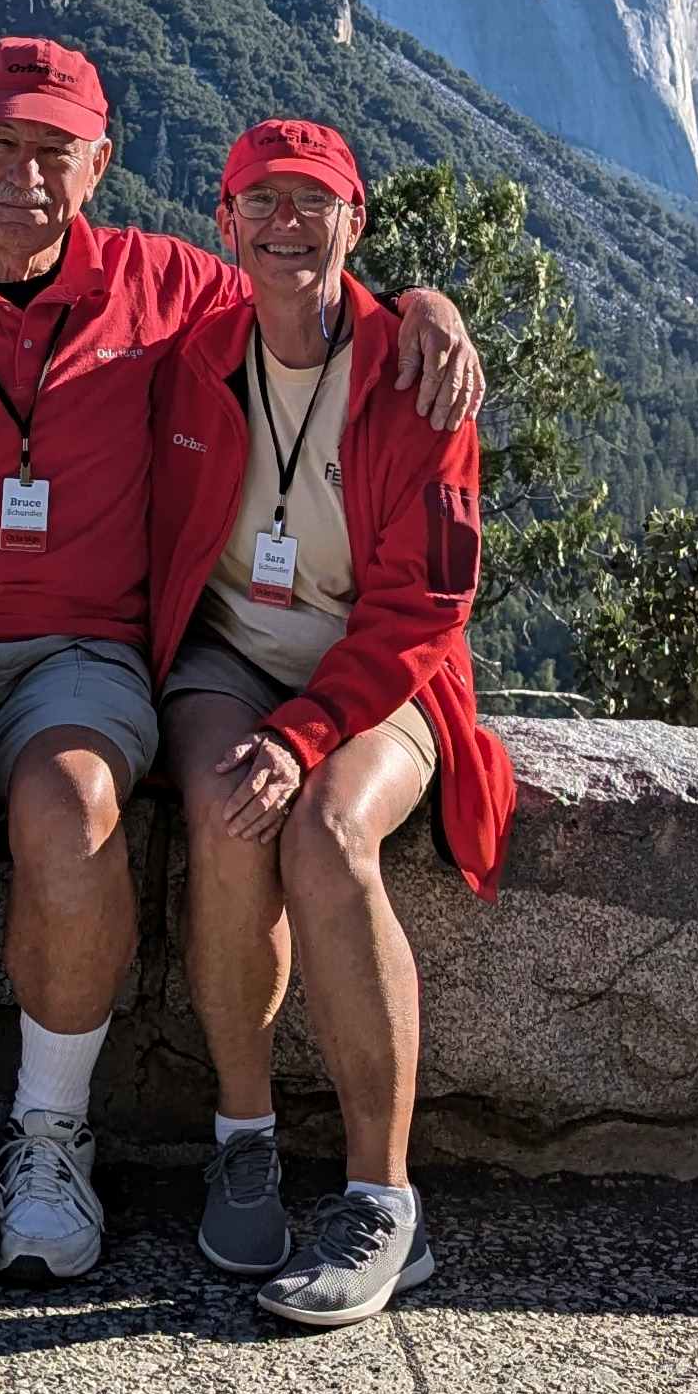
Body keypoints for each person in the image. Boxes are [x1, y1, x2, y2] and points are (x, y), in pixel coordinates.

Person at [0, 40, 485, 1285]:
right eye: (3, 145)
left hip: (80, 655)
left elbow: (304, 291)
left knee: (79, 803)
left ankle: (50, 1134)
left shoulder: (167, 288)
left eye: (55, 151)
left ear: (99, 164)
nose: (27, 177)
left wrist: (427, 308)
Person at [147, 118, 515, 1329]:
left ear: (355, 223)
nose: (287, 224)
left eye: (315, 203)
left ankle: (381, 1202)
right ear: (226, 226)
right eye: (263, 201)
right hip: (228, 663)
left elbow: (428, 605)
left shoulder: (417, 374)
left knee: (327, 838)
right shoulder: (194, 351)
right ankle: (243, 1138)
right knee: (225, 809)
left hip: (379, 678)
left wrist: (309, 735)